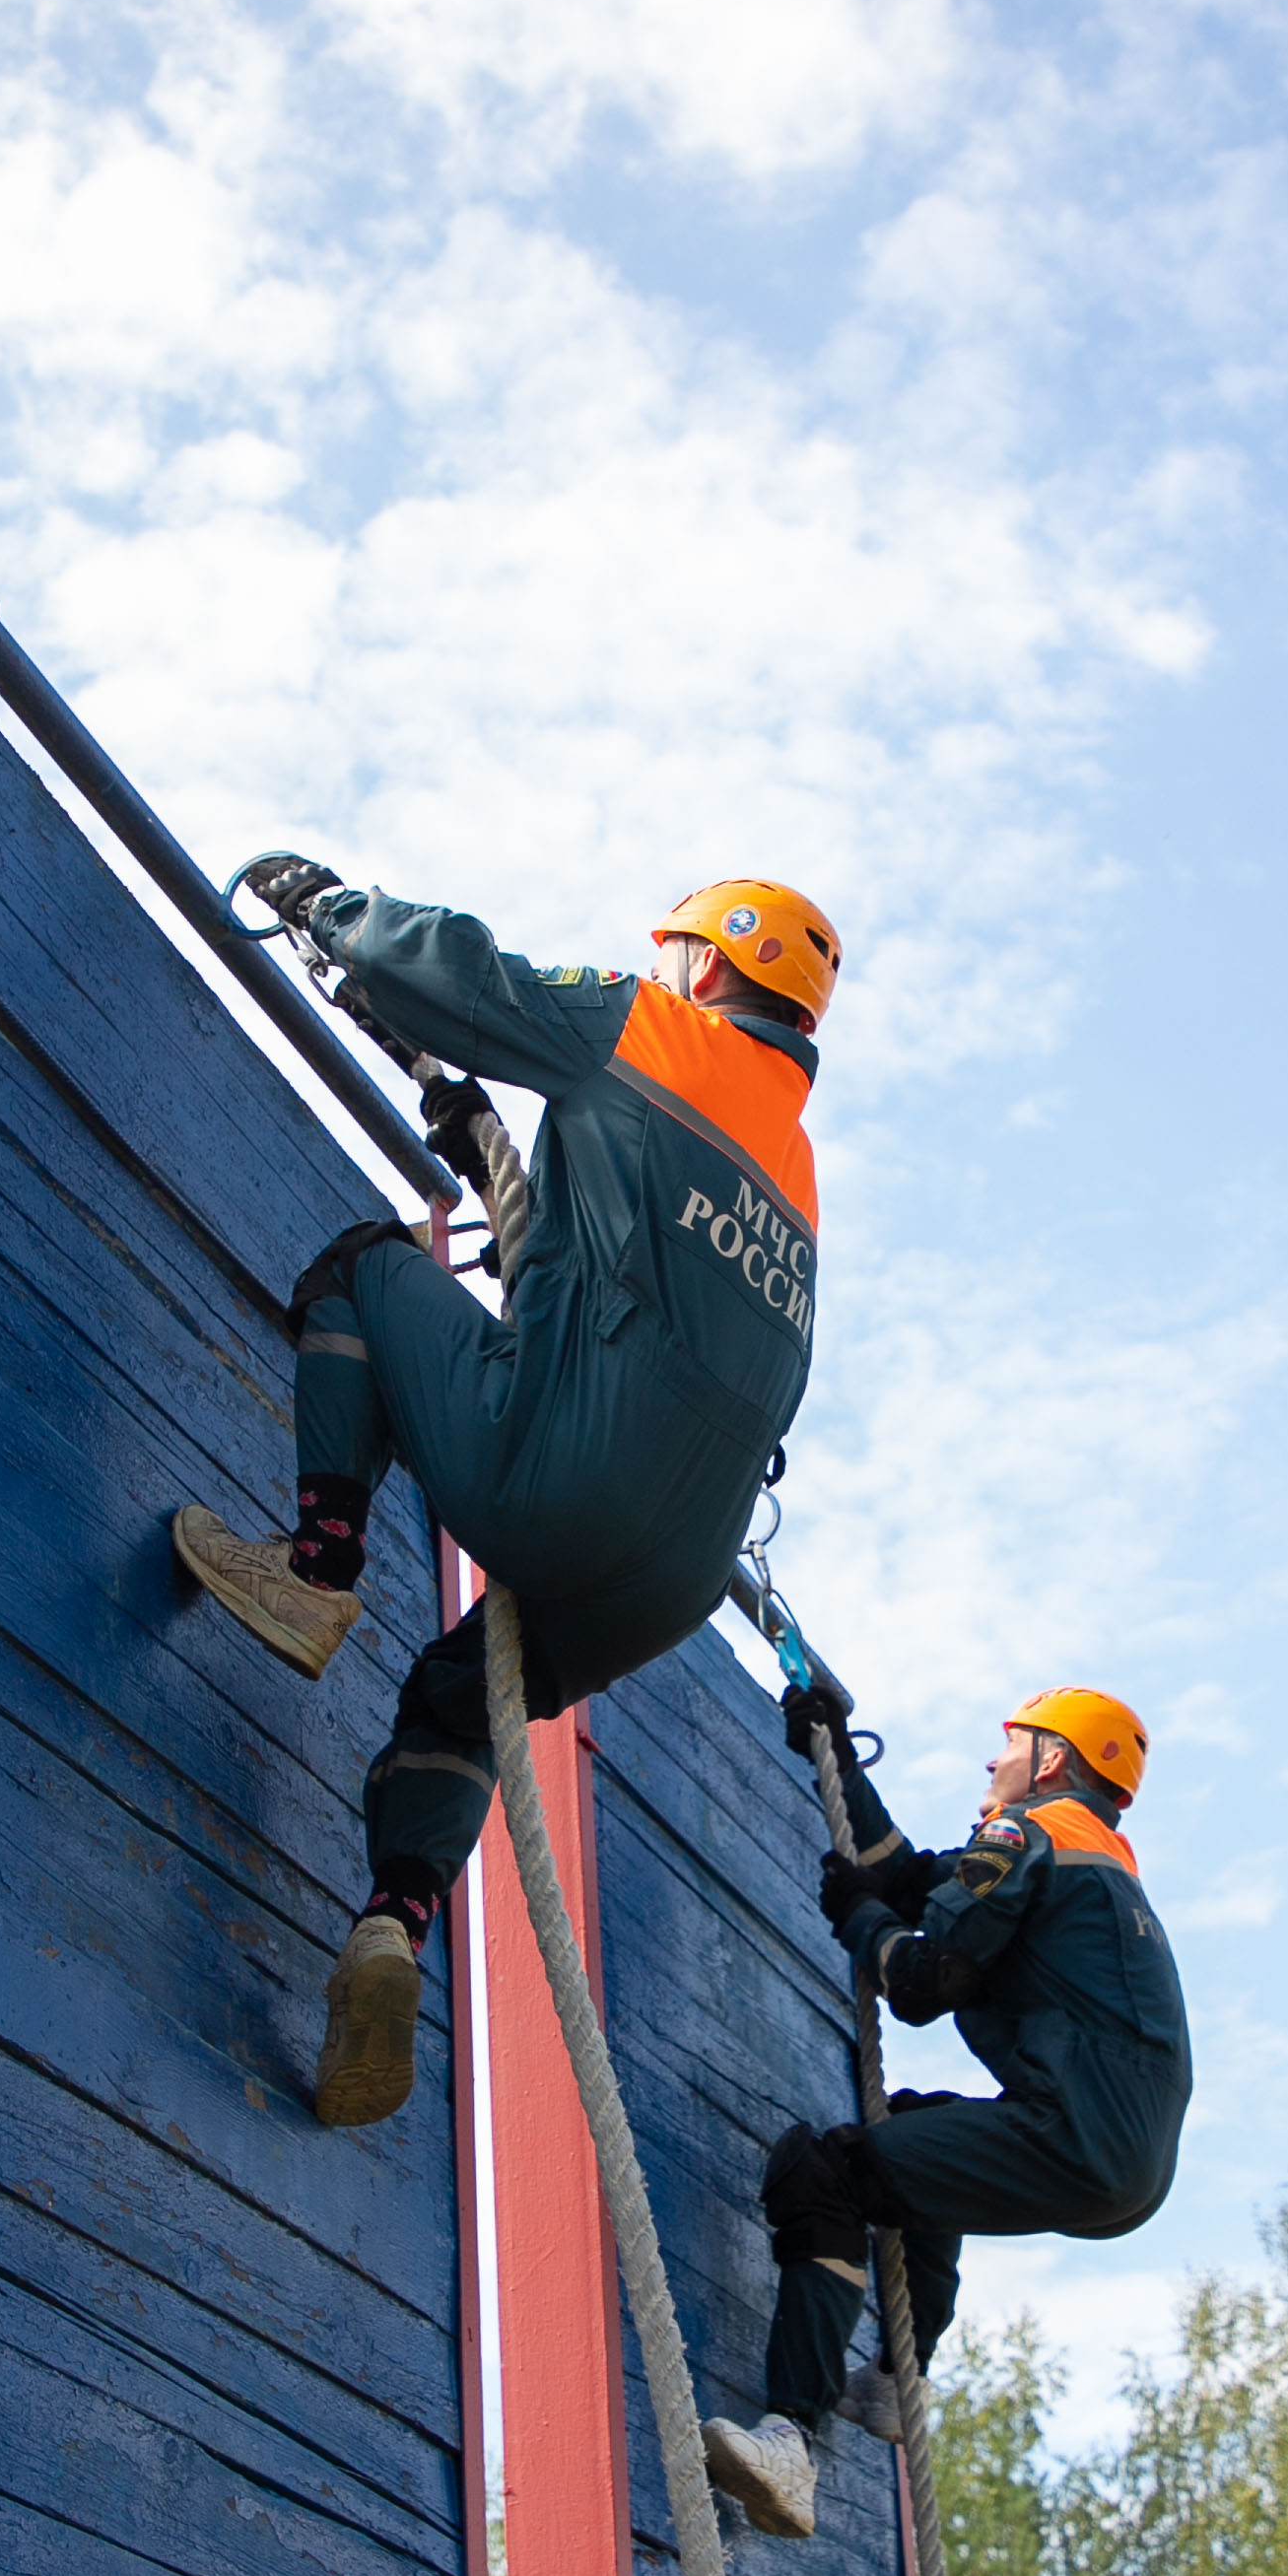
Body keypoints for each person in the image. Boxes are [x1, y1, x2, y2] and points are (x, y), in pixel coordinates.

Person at [173, 869, 843, 2126]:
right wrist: (472, 1129)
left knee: (360, 1270)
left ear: (707, 966)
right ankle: (392, 1925)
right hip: (667, 1584)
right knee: (455, 1700)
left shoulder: (652, 1027)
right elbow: (579, 1279)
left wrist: (331, 913)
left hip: (560, 1479)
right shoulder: (797, 1192)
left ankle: (315, 1572)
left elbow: (462, 977)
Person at [701, 1684, 1190, 2541]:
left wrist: (860, 1922)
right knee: (914, 2130)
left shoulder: (1025, 1833)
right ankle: (898, 2378)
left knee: (826, 2175)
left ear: (1052, 1760)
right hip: (1130, 2165)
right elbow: (906, 1872)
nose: (992, 1761)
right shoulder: (1091, 1857)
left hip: (1073, 2135)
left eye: (1011, 1745)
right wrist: (836, 1755)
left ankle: (791, 2439)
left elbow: (922, 1984)